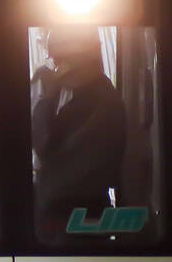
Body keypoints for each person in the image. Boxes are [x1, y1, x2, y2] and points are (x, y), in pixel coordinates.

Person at [31, 26, 127, 229]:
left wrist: (46, 98)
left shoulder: (101, 99)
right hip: (61, 208)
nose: (57, 68)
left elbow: (44, 144)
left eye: (61, 61)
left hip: (75, 212)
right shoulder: (78, 94)